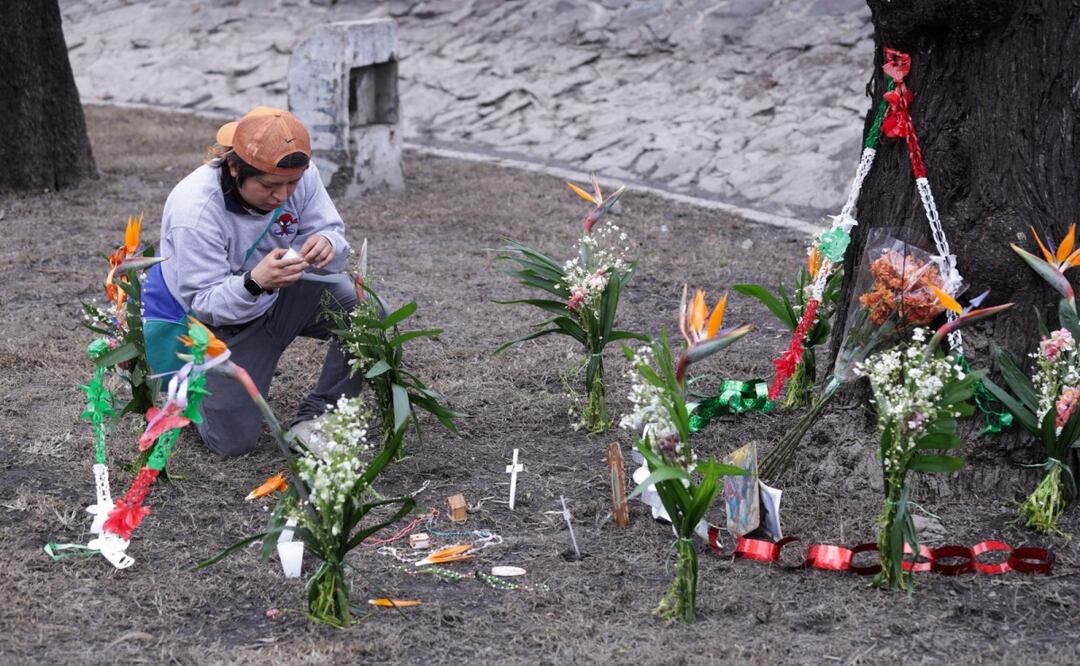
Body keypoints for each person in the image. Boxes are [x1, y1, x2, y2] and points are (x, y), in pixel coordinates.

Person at [142, 106, 359, 456]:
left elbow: (328, 227)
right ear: (234, 167)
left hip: (280, 292)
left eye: (294, 183)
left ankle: (320, 417)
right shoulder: (194, 211)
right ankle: (188, 382)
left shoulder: (296, 173)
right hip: (220, 323)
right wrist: (255, 283)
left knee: (362, 311)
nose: (284, 195)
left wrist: (328, 243)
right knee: (232, 444)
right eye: (270, 186)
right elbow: (204, 303)